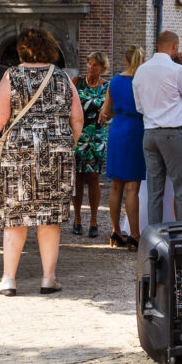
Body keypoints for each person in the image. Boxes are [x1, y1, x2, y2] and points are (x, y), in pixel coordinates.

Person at [0, 27, 82, 295]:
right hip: (56, 153)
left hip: (19, 153)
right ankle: (48, 278)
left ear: (22, 51)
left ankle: (8, 279)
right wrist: (67, 144)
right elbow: (77, 118)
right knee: (49, 217)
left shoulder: (13, 76)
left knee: (16, 216)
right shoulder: (62, 77)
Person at [134, 31, 182, 225]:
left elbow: (139, 107)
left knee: (154, 191)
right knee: (181, 187)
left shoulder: (141, 70)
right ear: (175, 47)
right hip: (171, 132)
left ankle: (153, 235)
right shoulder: (176, 70)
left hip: (149, 132)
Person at [101, 47, 146, 248]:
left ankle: (115, 232)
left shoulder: (114, 81)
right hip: (136, 130)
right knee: (132, 186)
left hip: (117, 129)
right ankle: (134, 235)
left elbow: (106, 111)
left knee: (116, 185)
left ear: (125, 60)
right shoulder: (142, 81)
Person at [74, 52, 109, 239]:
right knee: (78, 177)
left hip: (96, 135)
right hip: (78, 135)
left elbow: (110, 109)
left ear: (102, 68)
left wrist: (107, 113)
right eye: (89, 63)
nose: (91, 67)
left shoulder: (106, 87)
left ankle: (94, 221)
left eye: (95, 65)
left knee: (94, 177)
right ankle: (77, 219)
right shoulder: (76, 82)